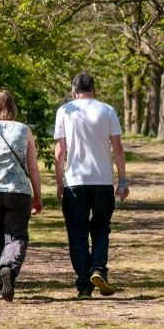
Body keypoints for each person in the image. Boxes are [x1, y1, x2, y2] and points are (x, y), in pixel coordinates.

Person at [54, 72, 128, 299]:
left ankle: (84, 286)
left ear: (73, 91)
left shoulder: (65, 111)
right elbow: (117, 148)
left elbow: (60, 151)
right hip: (103, 181)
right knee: (101, 228)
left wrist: (59, 183)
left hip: (75, 182)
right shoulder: (107, 110)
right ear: (94, 90)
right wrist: (122, 180)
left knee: (77, 234)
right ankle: (98, 268)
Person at [0, 90, 43, 302]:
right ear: (13, 107)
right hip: (19, 191)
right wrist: (38, 196)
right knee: (17, 235)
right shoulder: (25, 131)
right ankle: (9, 268)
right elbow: (33, 168)